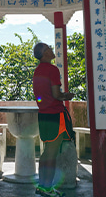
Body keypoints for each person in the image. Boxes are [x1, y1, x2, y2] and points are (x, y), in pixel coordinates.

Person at [32, 42, 74, 197]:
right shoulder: (52, 70)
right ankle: (47, 188)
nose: (51, 49)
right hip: (55, 115)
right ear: (45, 54)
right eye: (48, 48)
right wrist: (66, 96)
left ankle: (42, 185)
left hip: (43, 115)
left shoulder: (37, 71)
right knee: (52, 153)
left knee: (46, 152)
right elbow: (57, 94)